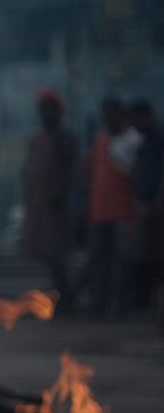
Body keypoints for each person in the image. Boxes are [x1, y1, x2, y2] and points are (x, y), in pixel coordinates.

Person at [20, 89, 78, 308]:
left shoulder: (65, 137)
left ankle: (64, 295)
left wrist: (59, 193)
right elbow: (29, 168)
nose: (44, 114)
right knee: (45, 251)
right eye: (42, 110)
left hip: (57, 203)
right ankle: (60, 292)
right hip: (39, 202)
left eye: (48, 110)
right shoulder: (37, 137)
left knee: (58, 253)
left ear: (57, 112)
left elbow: (69, 169)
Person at [80, 97, 136, 315]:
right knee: (99, 260)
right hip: (99, 210)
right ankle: (99, 303)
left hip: (124, 211)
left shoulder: (133, 140)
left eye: (111, 115)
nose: (108, 119)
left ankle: (122, 305)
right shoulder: (101, 139)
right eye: (105, 115)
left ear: (121, 116)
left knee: (121, 262)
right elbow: (89, 169)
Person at [126, 99, 163, 315]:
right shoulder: (145, 141)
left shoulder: (159, 140)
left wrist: (157, 202)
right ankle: (145, 304)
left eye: (137, 120)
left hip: (156, 209)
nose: (135, 126)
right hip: (143, 206)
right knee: (143, 258)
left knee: (155, 259)